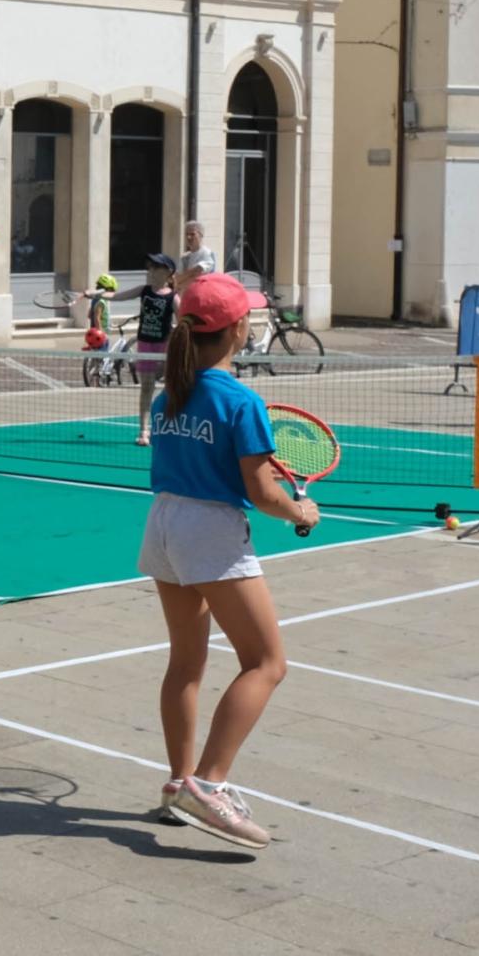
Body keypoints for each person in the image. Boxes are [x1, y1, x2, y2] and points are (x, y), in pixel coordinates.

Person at [140, 272, 319, 849]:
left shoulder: (170, 394)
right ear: (239, 328)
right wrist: (300, 511)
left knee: (185, 663)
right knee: (266, 662)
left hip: (163, 524)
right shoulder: (241, 400)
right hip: (209, 534)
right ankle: (209, 784)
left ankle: (178, 786)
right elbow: (263, 492)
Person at [102, 253, 178, 446]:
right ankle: (144, 431)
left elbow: (185, 321)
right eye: (150, 266)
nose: (151, 270)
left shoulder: (173, 297)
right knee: (147, 388)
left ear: (168, 272)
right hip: (145, 345)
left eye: (156, 267)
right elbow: (117, 296)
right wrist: (94, 294)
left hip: (164, 347)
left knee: (171, 388)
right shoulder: (144, 290)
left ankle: (168, 426)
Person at [176, 220, 217, 289]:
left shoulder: (208, 254)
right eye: (187, 234)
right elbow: (177, 278)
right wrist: (191, 273)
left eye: (192, 234)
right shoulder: (185, 257)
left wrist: (180, 284)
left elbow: (198, 276)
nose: (189, 237)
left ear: (201, 235)